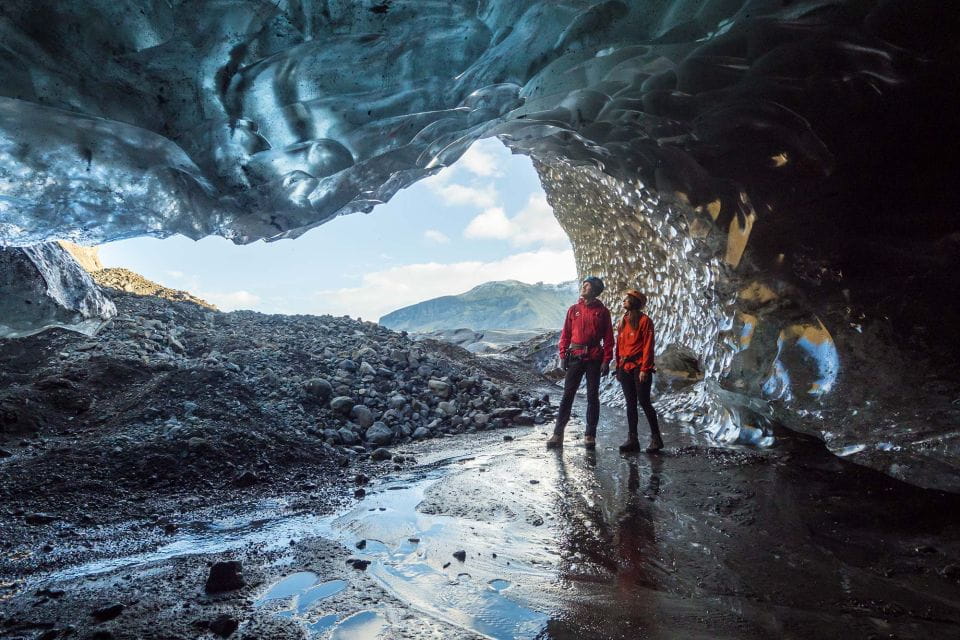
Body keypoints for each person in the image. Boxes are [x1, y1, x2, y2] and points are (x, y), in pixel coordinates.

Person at [547, 276, 614, 449]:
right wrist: (563, 355)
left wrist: (607, 360)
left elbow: (608, 338)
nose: (583, 288)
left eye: (587, 286)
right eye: (583, 285)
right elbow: (566, 334)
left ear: (595, 290)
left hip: (593, 357)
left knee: (593, 396)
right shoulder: (573, 309)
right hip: (575, 355)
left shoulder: (603, 312)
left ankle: (590, 435)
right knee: (567, 394)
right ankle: (557, 434)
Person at [613, 289, 662, 452]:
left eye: (626, 299)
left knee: (644, 402)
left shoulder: (645, 321)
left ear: (634, 301)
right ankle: (632, 439)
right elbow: (619, 345)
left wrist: (645, 368)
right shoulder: (623, 320)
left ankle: (656, 439)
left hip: (639, 367)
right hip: (625, 367)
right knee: (630, 404)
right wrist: (618, 366)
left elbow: (648, 346)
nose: (623, 302)